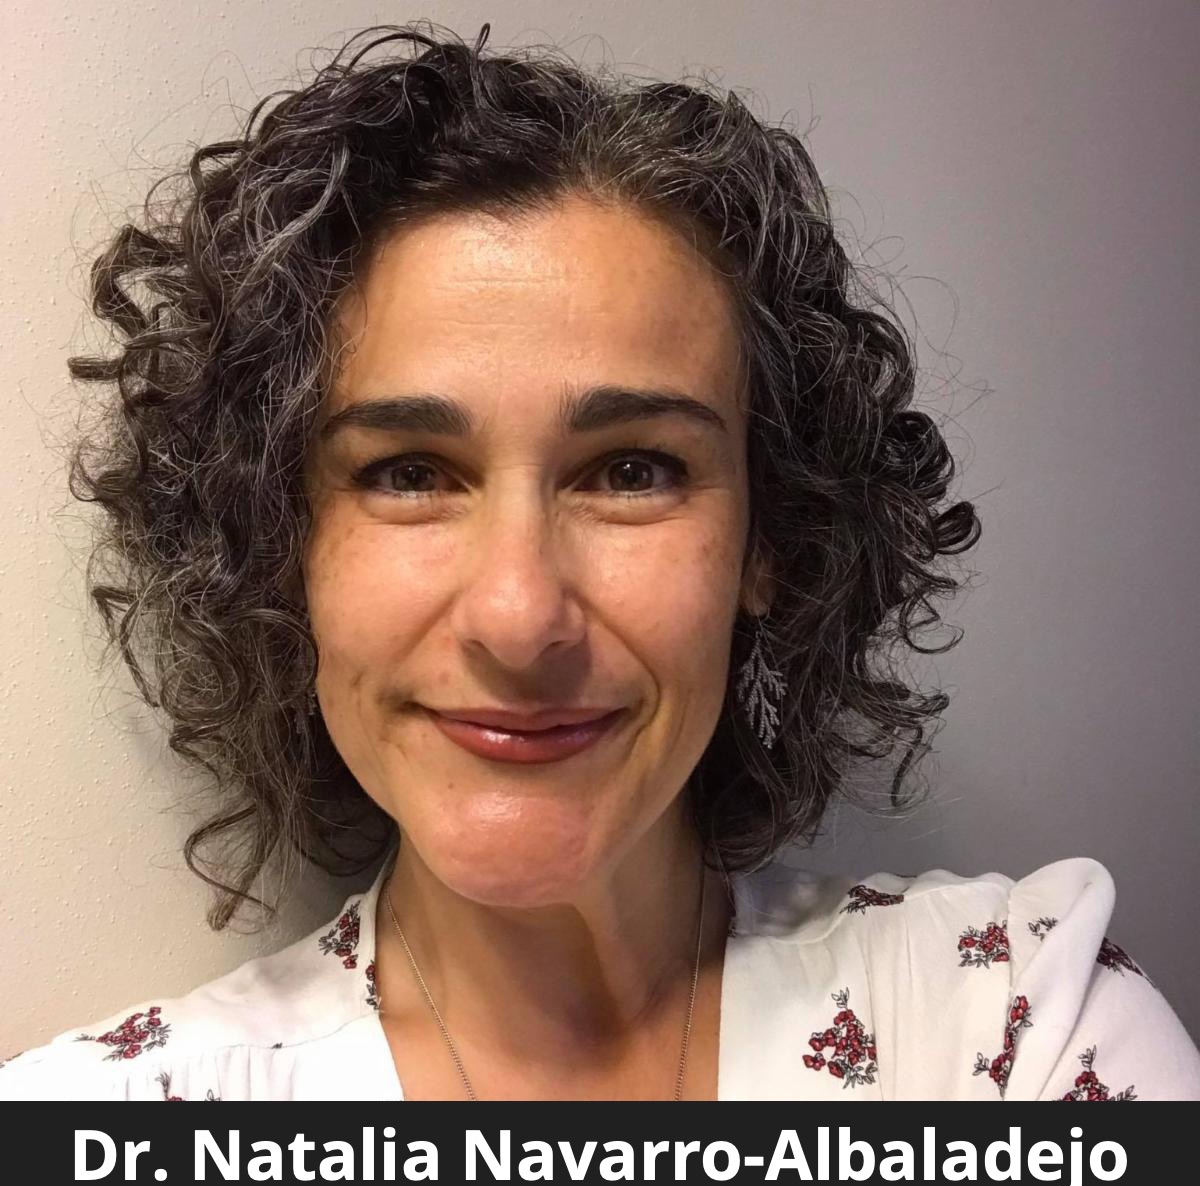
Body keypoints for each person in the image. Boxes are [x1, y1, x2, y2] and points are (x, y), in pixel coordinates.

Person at [1, 21, 1196, 1102]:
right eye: (408, 473)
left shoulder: (1018, 1023)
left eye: (632, 471)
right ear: (282, 548)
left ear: (768, 540)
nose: (520, 616)